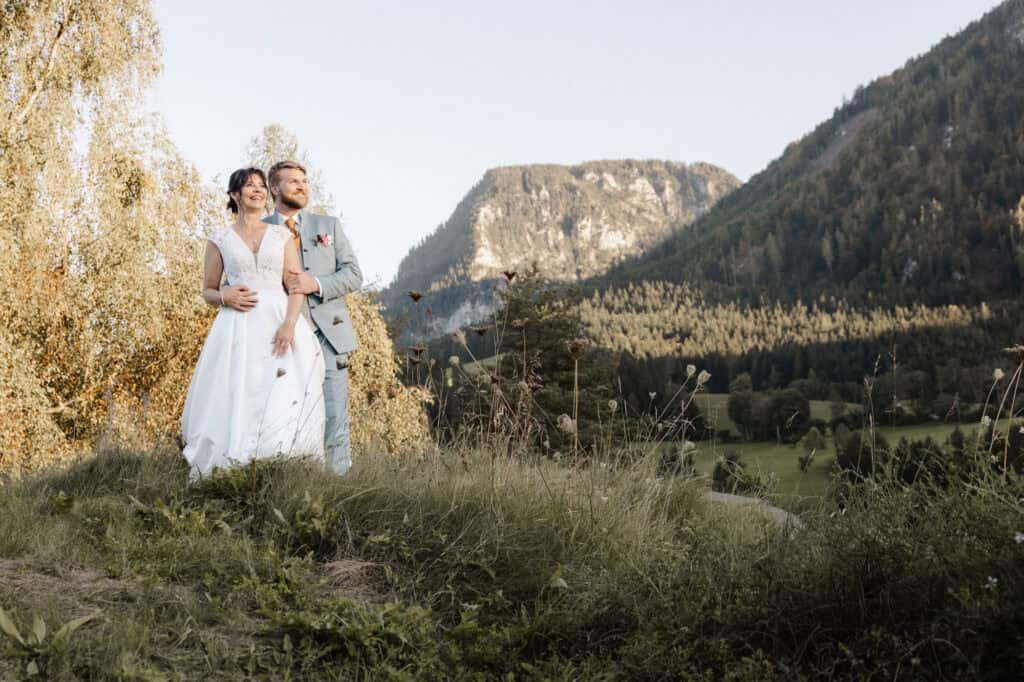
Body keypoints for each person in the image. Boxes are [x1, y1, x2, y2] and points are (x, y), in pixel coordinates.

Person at [180, 168, 326, 478]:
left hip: (279, 321)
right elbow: (207, 290)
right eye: (249, 186)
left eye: (261, 185)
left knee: (282, 389)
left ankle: (282, 465)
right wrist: (225, 295)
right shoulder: (219, 239)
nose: (258, 190)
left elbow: (296, 285)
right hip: (238, 325)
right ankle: (236, 466)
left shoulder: (282, 235)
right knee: (239, 390)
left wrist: (289, 324)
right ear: (235, 195)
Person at [263, 160, 362, 474]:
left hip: (329, 337)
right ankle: (287, 480)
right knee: (281, 414)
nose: (302, 186)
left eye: (304, 181)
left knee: (335, 418)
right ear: (274, 188)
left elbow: (353, 275)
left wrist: (315, 284)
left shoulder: (328, 226)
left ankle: (337, 486)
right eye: (293, 181)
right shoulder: (259, 229)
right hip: (280, 337)